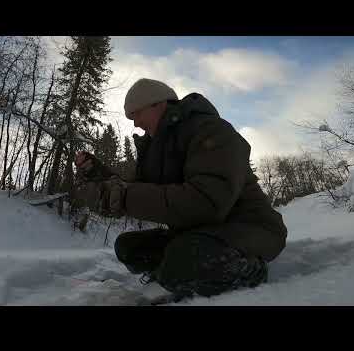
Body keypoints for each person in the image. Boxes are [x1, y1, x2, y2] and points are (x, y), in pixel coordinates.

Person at [75, 78, 288, 301]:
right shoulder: (156, 149)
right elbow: (136, 189)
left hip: (251, 227)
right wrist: (99, 175)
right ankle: (177, 272)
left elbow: (206, 202)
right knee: (129, 247)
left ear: (158, 104)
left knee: (181, 261)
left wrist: (124, 196)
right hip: (197, 232)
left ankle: (249, 270)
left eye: (136, 114)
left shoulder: (211, 130)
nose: (135, 124)